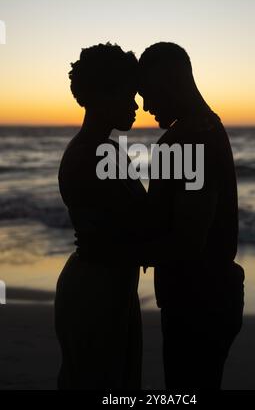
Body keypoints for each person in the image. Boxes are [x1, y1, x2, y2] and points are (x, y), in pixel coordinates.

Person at [138, 42, 245, 390]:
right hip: (211, 299)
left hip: (197, 306)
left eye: (148, 94)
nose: (146, 106)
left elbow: (188, 241)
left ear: (168, 82)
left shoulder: (185, 141)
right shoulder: (209, 128)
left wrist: (121, 252)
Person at [55, 43, 146, 390]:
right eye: (127, 95)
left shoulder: (104, 150)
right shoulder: (90, 155)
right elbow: (137, 227)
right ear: (103, 95)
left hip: (110, 285)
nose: (135, 105)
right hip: (96, 291)